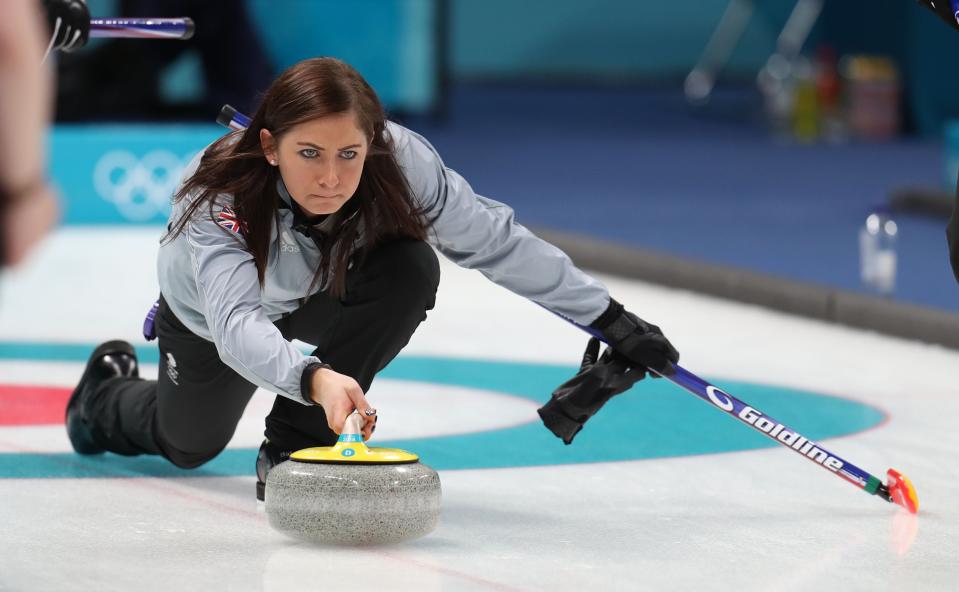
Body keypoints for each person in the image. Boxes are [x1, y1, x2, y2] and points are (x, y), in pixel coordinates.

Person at [65, 57, 680, 500]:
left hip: (320, 296)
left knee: (410, 266)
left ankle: (294, 444)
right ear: (271, 146)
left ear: (372, 144)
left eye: (349, 154)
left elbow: (495, 243)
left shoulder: (404, 163)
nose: (331, 177)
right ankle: (101, 398)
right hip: (214, 320)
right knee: (188, 445)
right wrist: (314, 378)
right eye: (310, 153)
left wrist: (609, 318)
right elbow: (235, 325)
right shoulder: (220, 194)